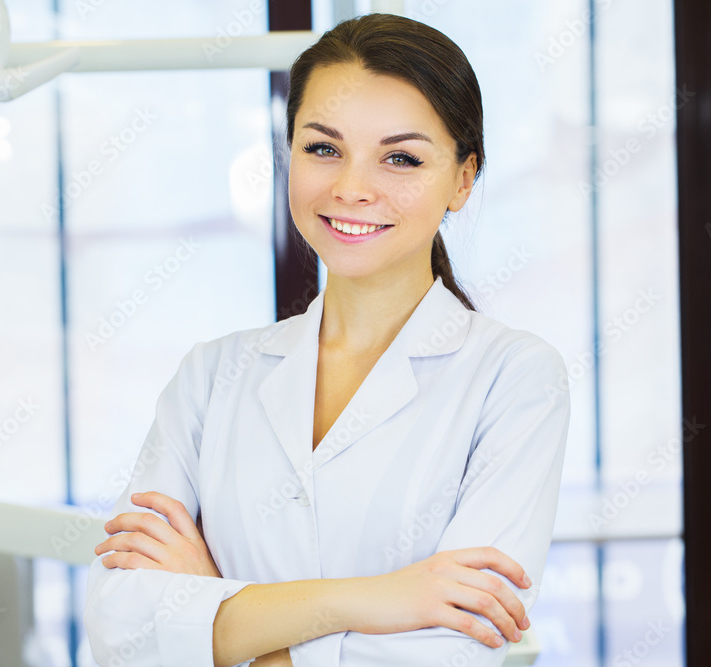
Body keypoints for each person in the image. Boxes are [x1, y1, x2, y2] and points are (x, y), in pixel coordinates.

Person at [84, 12, 570, 667]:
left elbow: (452, 653)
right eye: (323, 148)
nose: (351, 187)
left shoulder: (515, 380)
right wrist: (372, 599)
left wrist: (209, 604)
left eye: (400, 157)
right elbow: (122, 629)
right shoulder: (211, 375)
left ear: (463, 178)